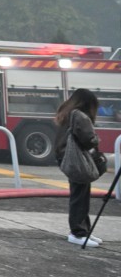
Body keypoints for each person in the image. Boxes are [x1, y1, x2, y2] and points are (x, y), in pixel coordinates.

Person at [54, 88, 103, 247]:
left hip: (67, 158)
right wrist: (96, 139)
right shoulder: (80, 116)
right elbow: (88, 140)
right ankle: (78, 232)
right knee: (80, 196)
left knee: (80, 193)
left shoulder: (68, 114)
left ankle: (84, 230)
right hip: (76, 160)